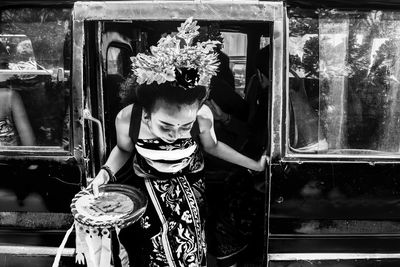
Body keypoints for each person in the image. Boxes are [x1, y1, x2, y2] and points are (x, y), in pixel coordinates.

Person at [90, 18, 267, 267]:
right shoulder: (129, 118)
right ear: (147, 113)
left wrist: (255, 165)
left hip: (191, 198)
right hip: (147, 197)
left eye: (185, 126)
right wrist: (105, 174)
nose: (175, 134)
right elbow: (122, 149)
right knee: (150, 254)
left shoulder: (203, 116)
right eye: (166, 126)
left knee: (189, 253)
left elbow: (213, 146)